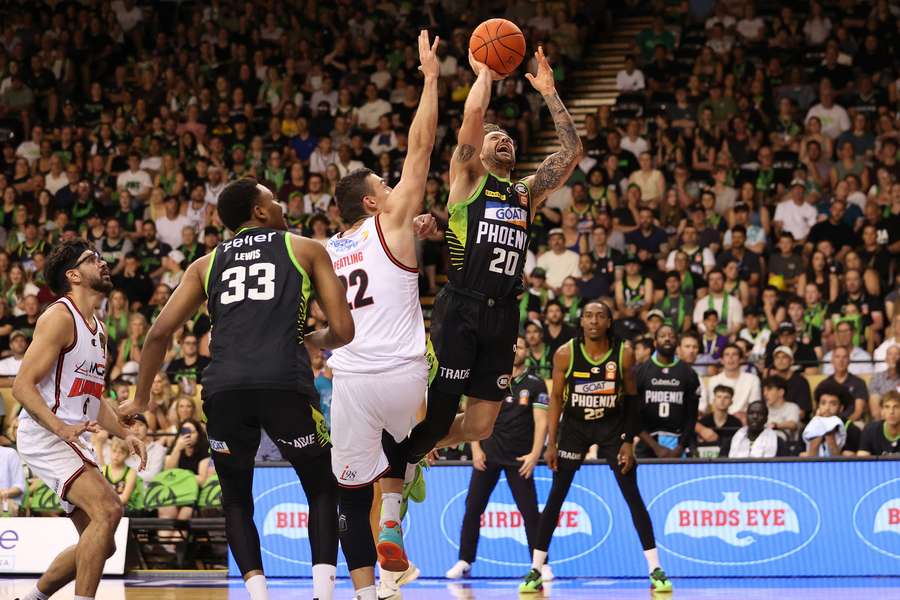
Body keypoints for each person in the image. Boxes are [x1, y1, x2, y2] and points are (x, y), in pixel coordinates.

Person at [118, 177, 355, 600]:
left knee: (236, 499)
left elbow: (157, 334)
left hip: (224, 391)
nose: (280, 204)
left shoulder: (204, 264)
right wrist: (312, 338)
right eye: (273, 199)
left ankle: (258, 595)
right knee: (321, 487)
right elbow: (343, 330)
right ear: (260, 211)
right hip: (284, 384)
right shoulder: (305, 248)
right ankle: (322, 594)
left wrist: (139, 397)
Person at [405, 46, 581, 471]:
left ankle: (409, 446)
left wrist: (549, 92)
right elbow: (472, 115)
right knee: (441, 415)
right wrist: (484, 73)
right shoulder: (468, 178)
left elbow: (571, 152)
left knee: (481, 426)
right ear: (478, 151)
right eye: (495, 138)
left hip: (502, 313)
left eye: (509, 139)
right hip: (461, 306)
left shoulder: (526, 193)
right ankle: (400, 458)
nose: (505, 141)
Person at [324, 31, 439, 600]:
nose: (394, 189)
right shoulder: (389, 224)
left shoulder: (323, 251)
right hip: (402, 373)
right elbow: (420, 149)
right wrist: (431, 79)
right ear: (372, 203)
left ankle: (368, 591)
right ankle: (392, 523)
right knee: (413, 437)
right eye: (384, 186)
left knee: (349, 495)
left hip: (348, 380)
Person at [14, 240, 147, 600]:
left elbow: (93, 397)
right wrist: (60, 428)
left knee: (101, 544)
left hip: (72, 435)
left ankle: (32, 598)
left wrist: (123, 434)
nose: (102, 263)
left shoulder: (98, 328)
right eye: (92, 259)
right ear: (73, 275)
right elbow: (22, 386)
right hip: (47, 432)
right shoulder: (59, 316)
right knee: (109, 509)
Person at [520, 301, 672, 593]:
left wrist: (628, 440)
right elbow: (556, 399)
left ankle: (655, 568)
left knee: (632, 495)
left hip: (612, 426)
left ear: (609, 322)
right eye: (588, 316)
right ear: (581, 321)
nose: (593, 321)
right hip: (575, 427)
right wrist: (552, 443)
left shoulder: (623, 353)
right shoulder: (565, 353)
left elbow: (632, 399)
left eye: (600, 316)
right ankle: (535, 569)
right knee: (556, 497)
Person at [446, 336, 549, 581]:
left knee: (530, 512)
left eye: (521, 347)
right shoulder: (489, 379)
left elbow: (541, 422)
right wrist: (475, 448)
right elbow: (471, 416)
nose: (516, 350)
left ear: (527, 352)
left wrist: (535, 455)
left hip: (519, 458)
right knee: (473, 507)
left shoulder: (535, 384)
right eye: (513, 346)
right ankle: (464, 560)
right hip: (487, 454)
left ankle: (540, 565)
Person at [636, 325, 701, 459]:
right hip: (648, 442)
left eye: (671, 336)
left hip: (679, 442)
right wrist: (655, 447)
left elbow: (692, 417)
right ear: (655, 342)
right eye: (662, 336)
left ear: (677, 343)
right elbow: (631, 415)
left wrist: (680, 447)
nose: (667, 339)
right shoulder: (641, 372)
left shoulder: (689, 373)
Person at [696, 385, 742, 457]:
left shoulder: (736, 423)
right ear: (713, 400)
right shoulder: (703, 422)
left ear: (731, 402)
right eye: (719, 397)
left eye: (726, 397)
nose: (722, 400)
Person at [858, 391, 900, 456]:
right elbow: (862, 459)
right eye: (887, 407)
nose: (891, 412)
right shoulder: (870, 430)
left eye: (896, 407)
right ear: (882, 411)